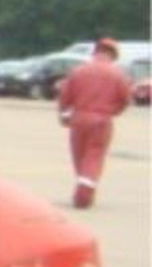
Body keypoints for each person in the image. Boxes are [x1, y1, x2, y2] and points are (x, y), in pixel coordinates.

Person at [57, 37, 133, 209]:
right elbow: (126, 99)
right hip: (101, 120)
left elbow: (65, 96)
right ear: (113, 55)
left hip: (78, 119)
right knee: (94, 155)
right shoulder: (117, 74)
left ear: (96, 52)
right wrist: (114, 111)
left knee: (80, 155)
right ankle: (84, 194)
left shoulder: (78, 71)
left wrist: (64, 115)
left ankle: (82, 185)